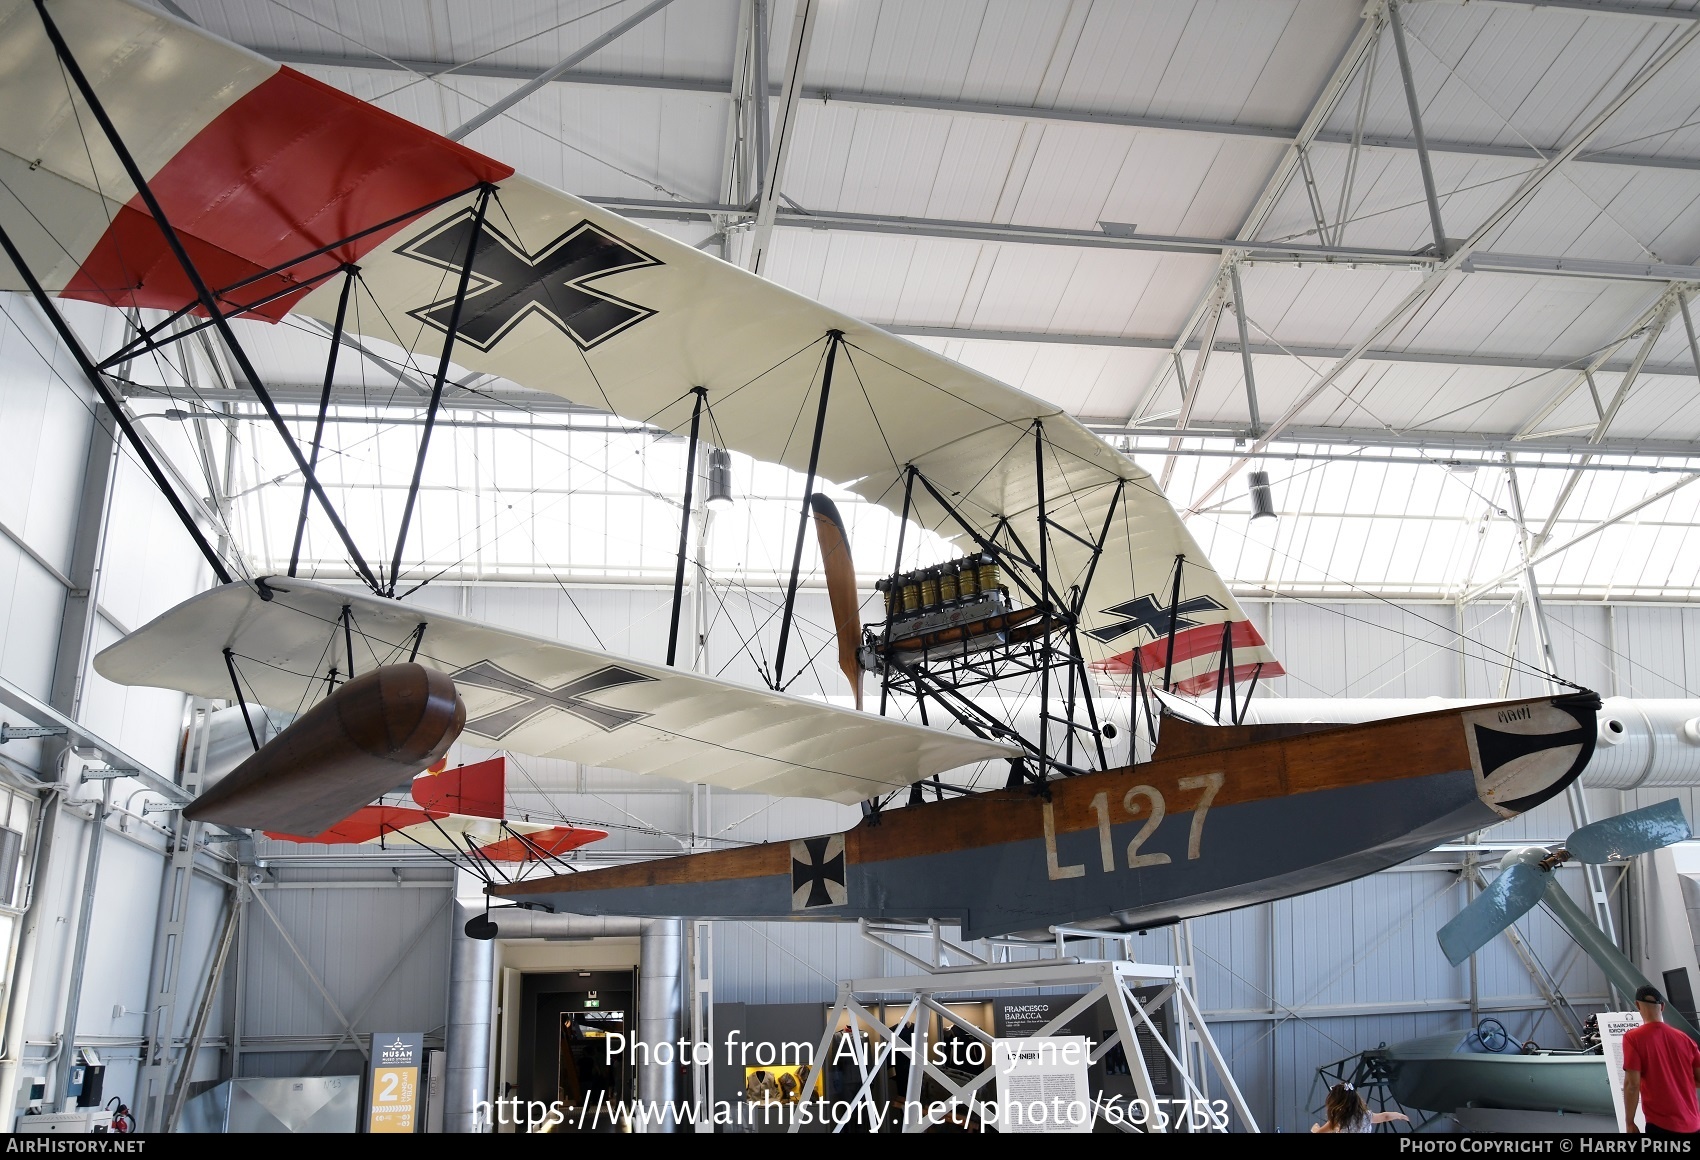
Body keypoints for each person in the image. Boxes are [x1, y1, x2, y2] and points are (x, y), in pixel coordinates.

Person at [1622, 984, 1700, 1136]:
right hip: (1693, 1125)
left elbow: (1632, 1084)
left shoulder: (1633, 1038)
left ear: (1637, 1005)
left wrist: (1629, 1123)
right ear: (1663, 1007)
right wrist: (1677, 1078)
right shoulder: (1685, 1039)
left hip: (1661, 1126)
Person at [1310, 1083, 1410, 1133]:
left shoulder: (1339, 1119)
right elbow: (1385, 1116)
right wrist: (1399, 1115)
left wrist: (1315, 1129)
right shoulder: (1366, 1115)